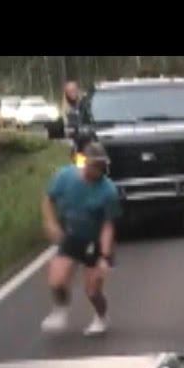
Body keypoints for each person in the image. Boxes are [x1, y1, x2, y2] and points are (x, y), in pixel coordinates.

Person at [40, 142, 122, 336]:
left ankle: (101, 317)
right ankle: (60, 311)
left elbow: (108, 226)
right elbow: (47, 199)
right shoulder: (65, 176)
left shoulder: (108, 190)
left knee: (93, 290)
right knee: (57, 281)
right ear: (86, 162)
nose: (99, 171)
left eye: (103, 167)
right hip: (71, 235)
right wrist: (50, 223)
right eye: (96, 166)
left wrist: (104, 255)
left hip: (94, 241)